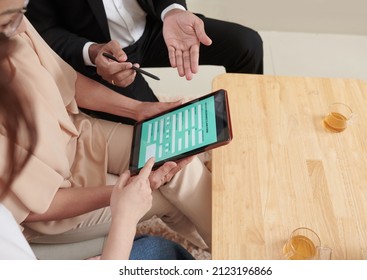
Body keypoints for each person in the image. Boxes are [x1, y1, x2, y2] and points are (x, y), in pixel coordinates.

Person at [0, 0, 211, 260]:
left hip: (78, 135)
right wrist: (123, 192)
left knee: (178, 157)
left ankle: (232, 241)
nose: (21, 22)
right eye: (11, 17)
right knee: (161, 193)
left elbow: (64, 79)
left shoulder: (13, 20)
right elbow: (37, 206)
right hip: (52, 203)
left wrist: (139, 109)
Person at [26, 0, 264, 124]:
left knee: (248, 45)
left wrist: (173, 11)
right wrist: (93, 52)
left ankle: (247, 125)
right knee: (160, 125)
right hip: (104, 53)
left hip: (153, 27)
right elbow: (44, 29)